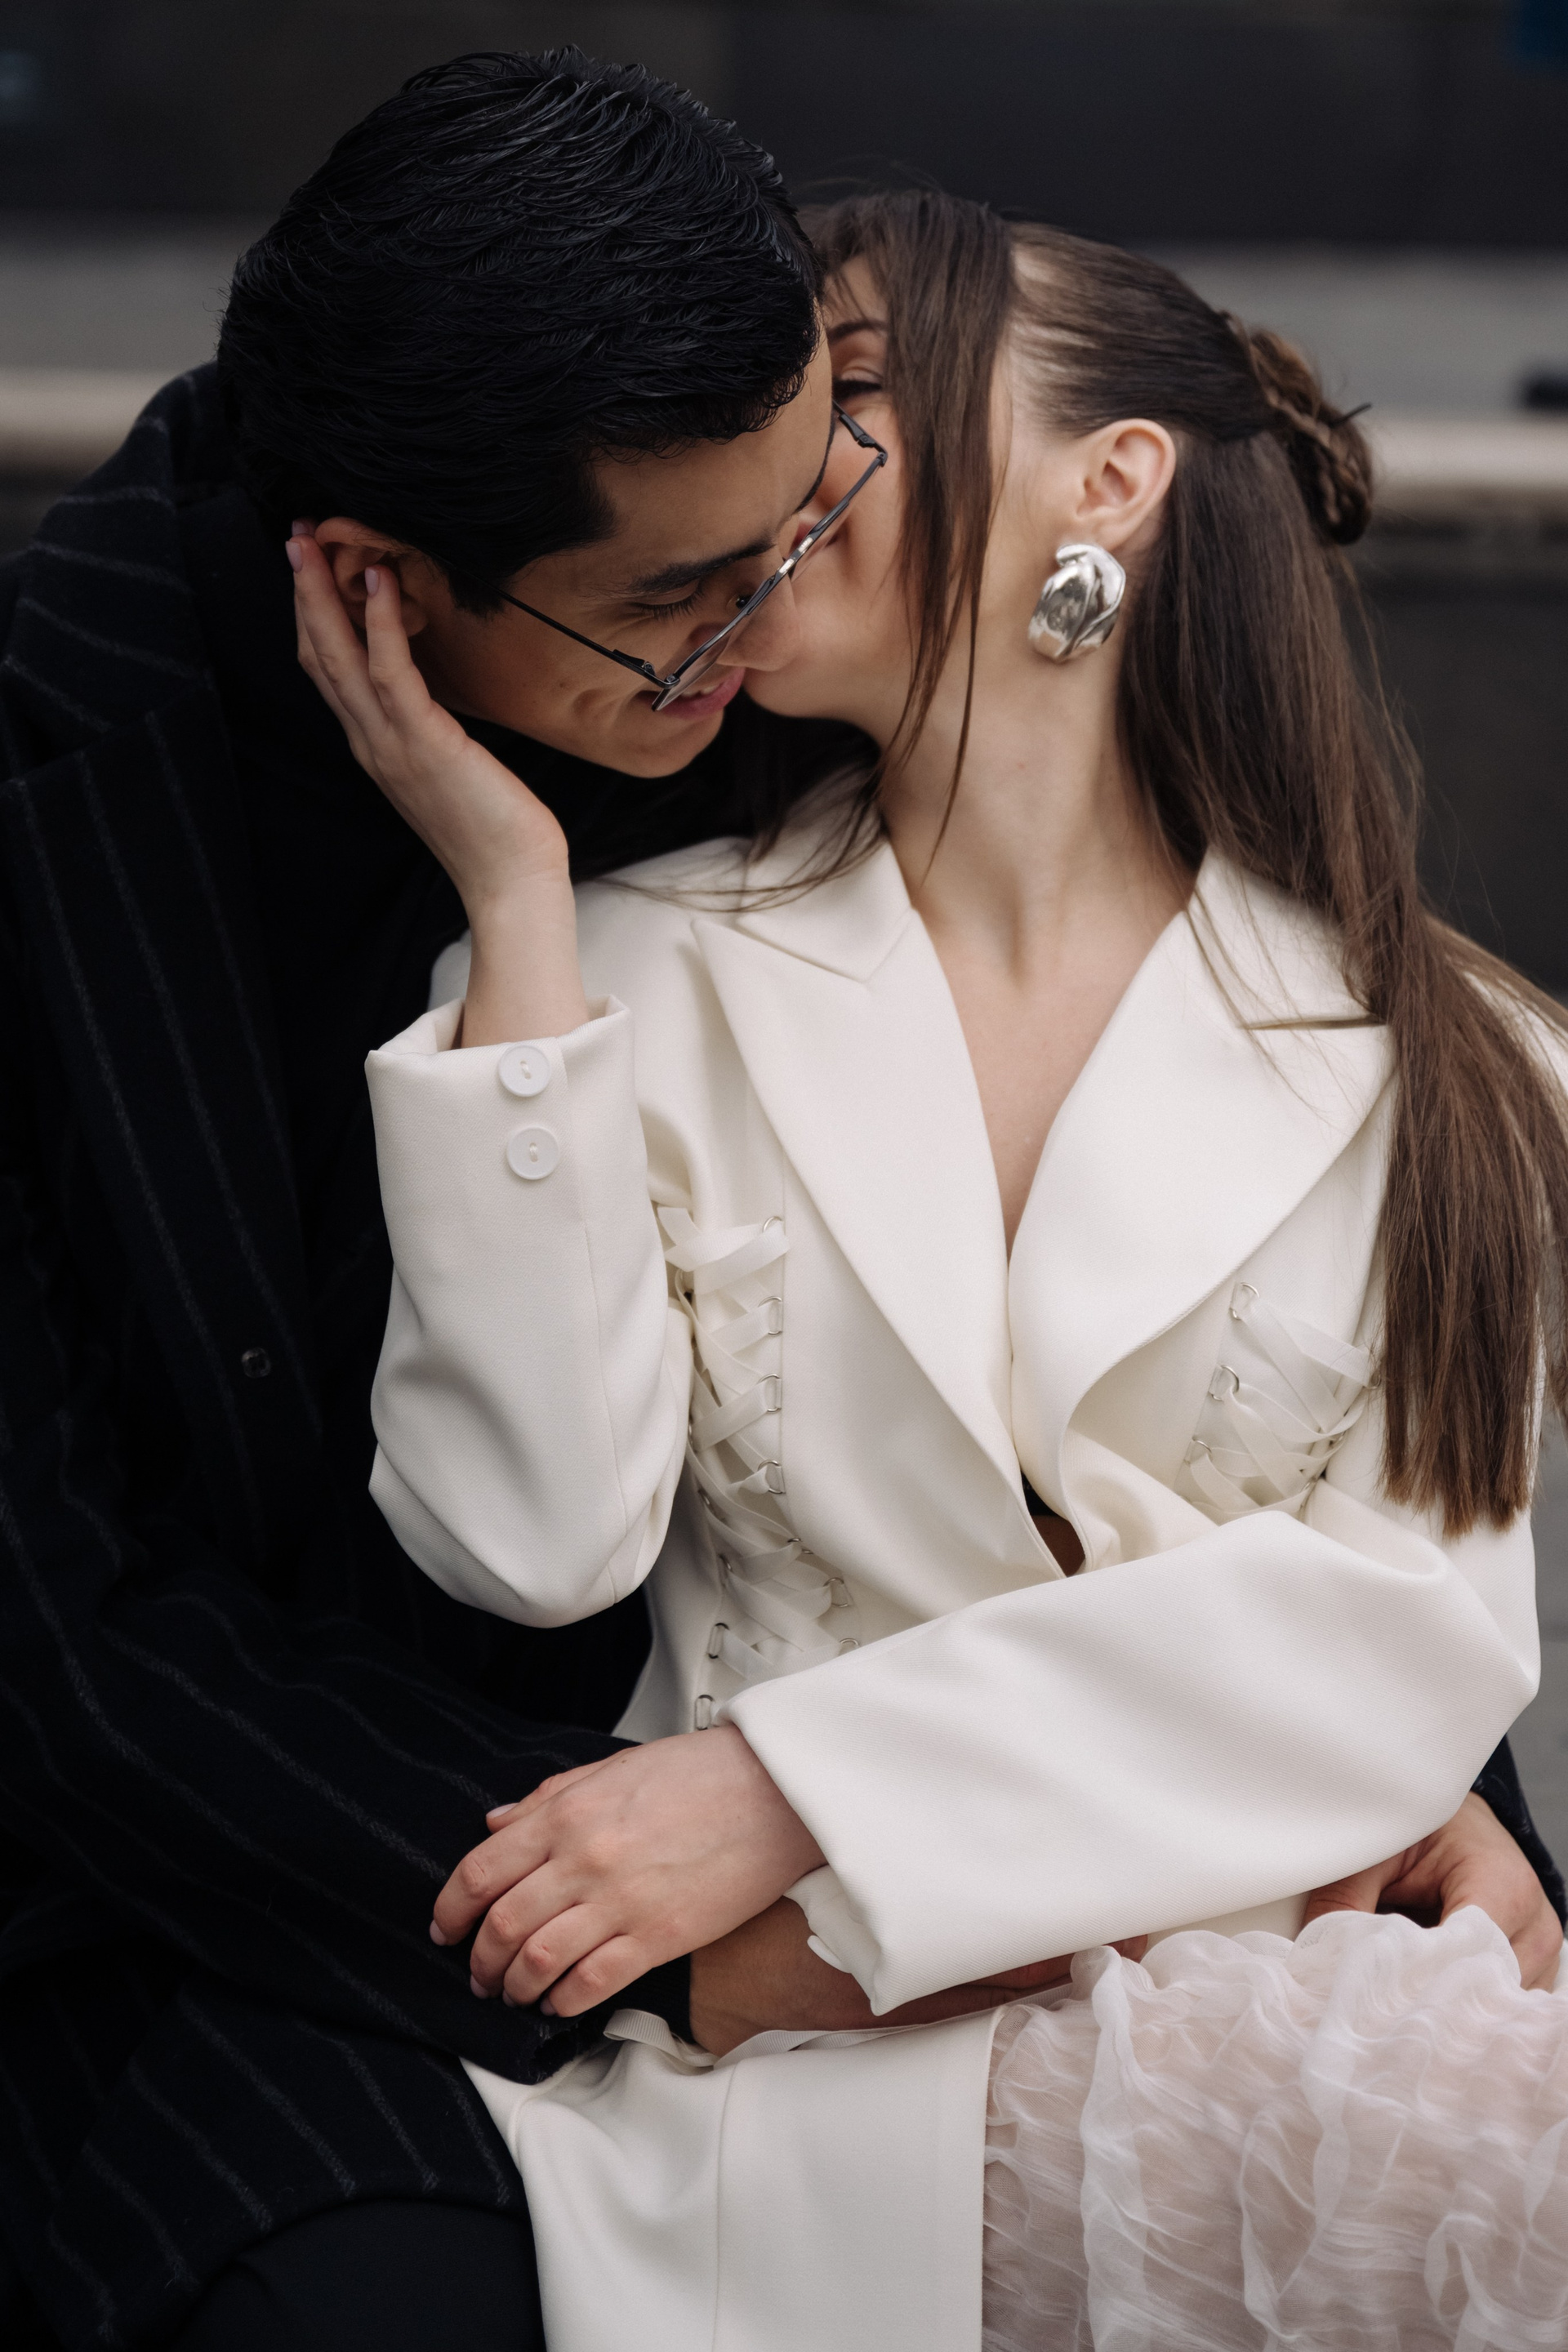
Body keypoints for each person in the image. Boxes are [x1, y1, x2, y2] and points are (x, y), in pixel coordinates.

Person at [0, 47, 1551, 2345]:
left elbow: (1402, 1580)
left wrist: (1424, 1794)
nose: (782, 569)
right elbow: (415, 1563)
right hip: (592, 1984)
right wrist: (746, 1869)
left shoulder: (1447, 1044)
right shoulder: (603, 924)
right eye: (699, 582)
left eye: (838, 460)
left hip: (1196, 1938)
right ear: (392, 586)